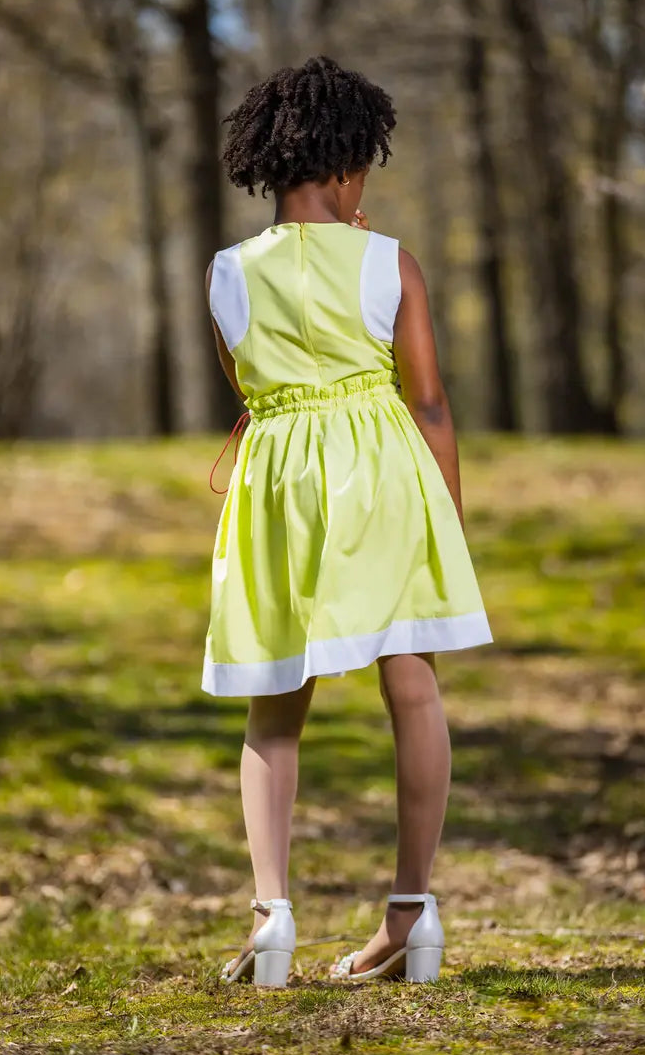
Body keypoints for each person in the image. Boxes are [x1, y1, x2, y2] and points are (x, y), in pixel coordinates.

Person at [202, 55, 493, 987]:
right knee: (411, 682)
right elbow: (431, 402)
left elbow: (250, 390)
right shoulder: (389, 259)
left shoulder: (227, 273)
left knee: (274, 702)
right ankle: (411, 911)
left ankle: (271, 914)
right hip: (385, 479)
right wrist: (447, 516)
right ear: (347, 167)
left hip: (280, 483)